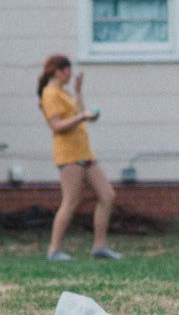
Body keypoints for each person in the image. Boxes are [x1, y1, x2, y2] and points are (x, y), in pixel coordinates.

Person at [38, 55, 119, 262]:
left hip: (84, 152)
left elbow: (80, 114)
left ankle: (99, 247)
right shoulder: (50, 94)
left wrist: (79, 93)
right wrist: (82, 116)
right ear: (57, 71)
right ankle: (54, 250)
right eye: (67, 70)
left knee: (107, 195)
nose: (70, 74)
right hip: (69, 155)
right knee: (71, 201)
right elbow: (57, 126)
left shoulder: (64, 93)